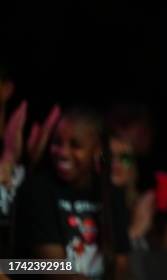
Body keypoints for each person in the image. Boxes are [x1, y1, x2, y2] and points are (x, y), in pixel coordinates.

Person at [15, 107, 130, 280]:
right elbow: (53, 269)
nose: (63, 152)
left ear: (96, 148)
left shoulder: (111, 193)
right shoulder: (37, 190)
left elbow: (121, 266)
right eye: (57, 142)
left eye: (75, 145)